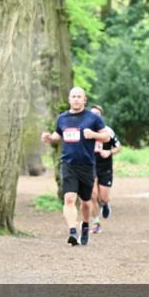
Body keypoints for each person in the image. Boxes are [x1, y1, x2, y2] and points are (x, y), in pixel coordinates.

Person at [41, 87, 111, 246]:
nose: (76, 99)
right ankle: (72, 231)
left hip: (87, 165)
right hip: (68, 163)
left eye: (79, 96)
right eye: (73, 96)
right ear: (69, 99)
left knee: (86, 202)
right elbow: (58, 136)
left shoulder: (93, 118)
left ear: (84, 100)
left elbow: (106, 136)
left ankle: (85, 225)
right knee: (69, 198)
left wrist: (93, 135)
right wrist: (49, 138)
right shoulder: (62, 118)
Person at [89, 104, 121, 234]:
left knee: (102, 197)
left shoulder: (108, 130)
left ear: (101, 116)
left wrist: (109, 152)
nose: (95, 116)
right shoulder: (85, 131)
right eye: (92, 114)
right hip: (90, 166)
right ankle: (96, 222)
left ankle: (105, 203)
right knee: (92, 195)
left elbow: (119, 147)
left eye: (97, 114)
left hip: (105, 166)